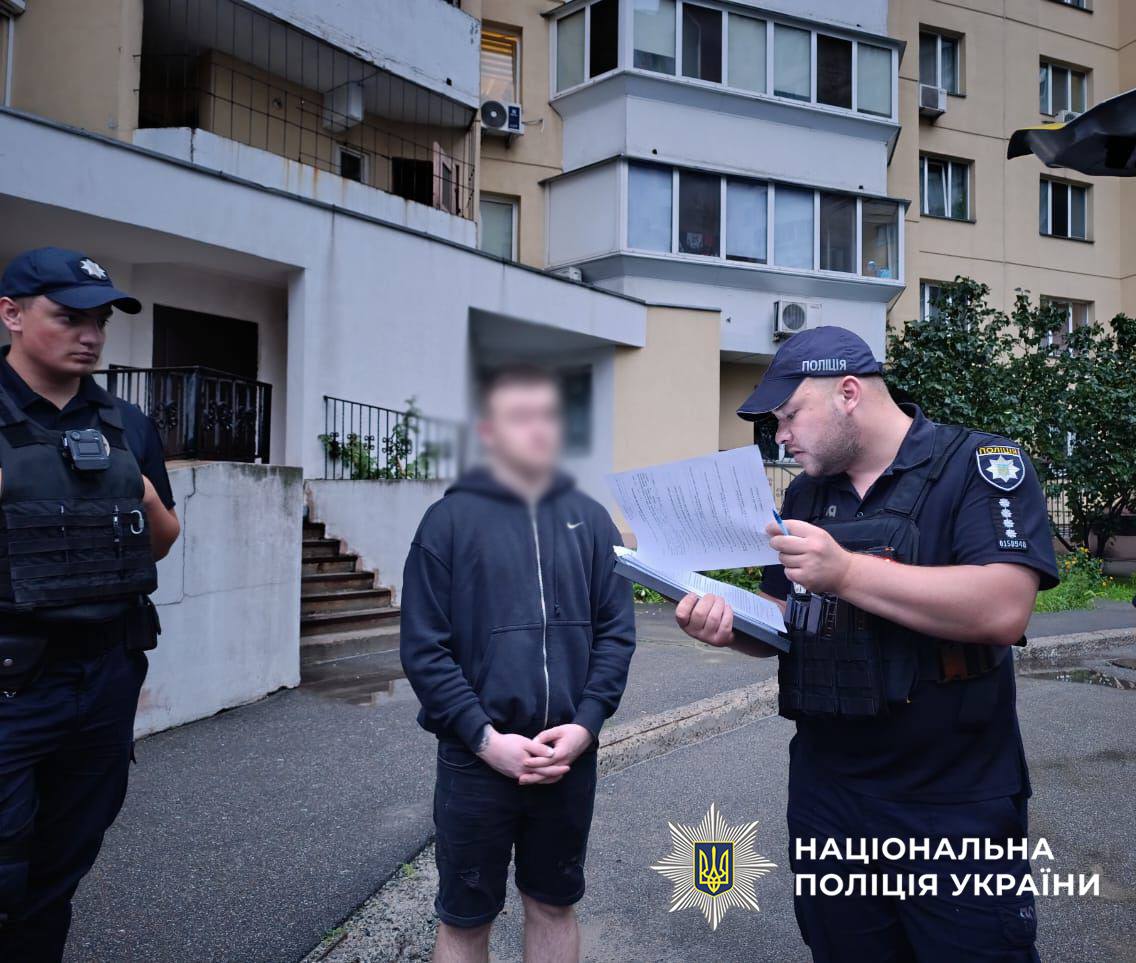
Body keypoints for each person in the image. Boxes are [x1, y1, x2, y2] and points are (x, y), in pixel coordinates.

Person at [676, 326, 1058, 962]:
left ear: (848, 393)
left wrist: (847, 572)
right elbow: (788, 618)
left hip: (953, 801)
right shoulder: (806, 493)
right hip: (830, 796)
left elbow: (1002, 607)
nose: (781, 436)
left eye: (789, 415)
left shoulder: (977, 466)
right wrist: (728, 624)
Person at [400, 363, 635, 963]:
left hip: (566, 758)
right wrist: (485, 739)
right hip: (475, 761)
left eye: (548, 416)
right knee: (465, 919)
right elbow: (425, 650)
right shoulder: (447, 524)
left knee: (554, 905)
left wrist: (585, 727)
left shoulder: (592, 521)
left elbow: (616, 634)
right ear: (488, 431)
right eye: (520, 417)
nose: (538, 430)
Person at [0, 247, 181, 962]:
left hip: (104, 677)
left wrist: (136, 490)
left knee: (59, 868)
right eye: (68, 317)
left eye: (99, 321)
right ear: (12, 314)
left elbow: (160, 541)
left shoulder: (126, 424)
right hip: (12, 682)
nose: (90, 335)